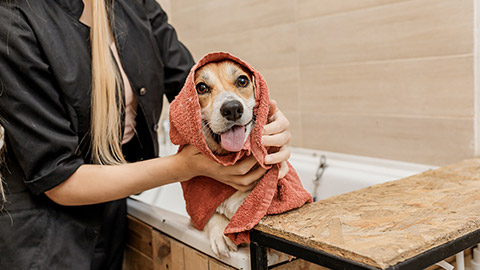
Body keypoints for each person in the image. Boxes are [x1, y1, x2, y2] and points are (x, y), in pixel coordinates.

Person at [0, 0, 292, 269]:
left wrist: (267, 124)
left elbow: (190, 90)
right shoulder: (15, 19)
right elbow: (57, 177)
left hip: (114, 204)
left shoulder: (136, 3)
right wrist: (184, 167)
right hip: (41, 231)